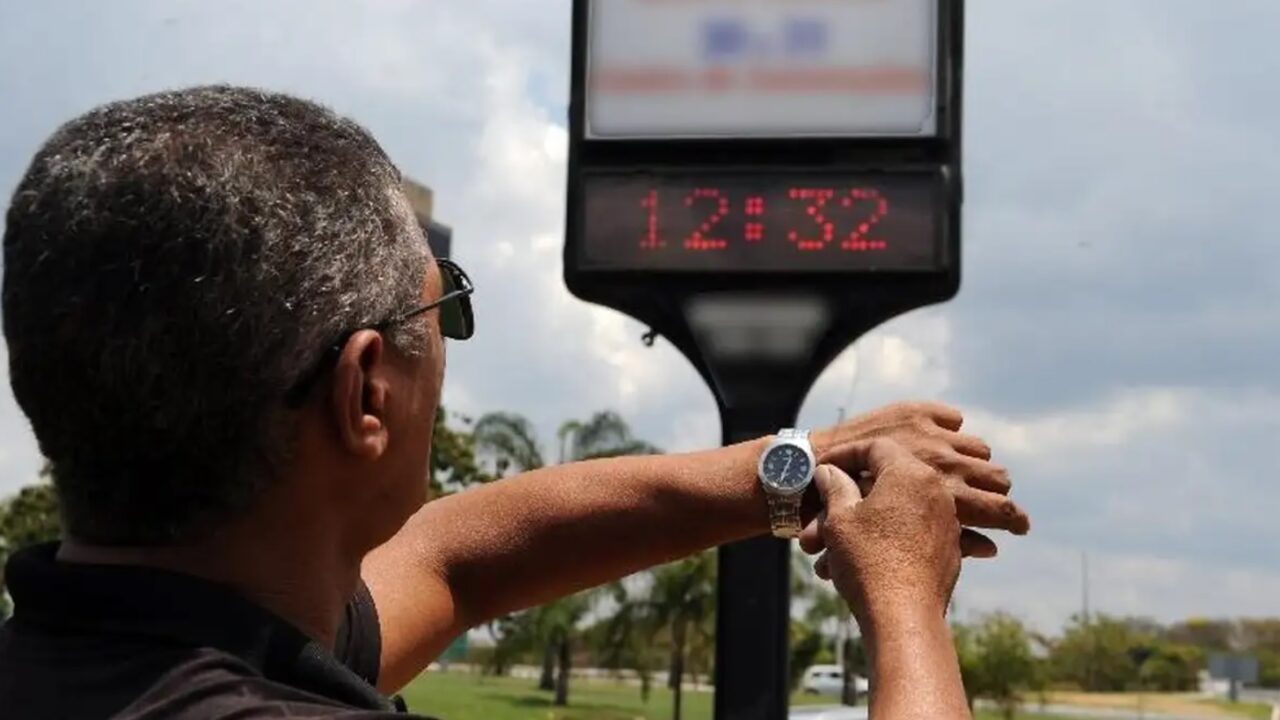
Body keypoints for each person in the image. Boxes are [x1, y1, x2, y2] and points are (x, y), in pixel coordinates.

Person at [0, 86, 1029, 719]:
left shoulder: (122, 651)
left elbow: (458, 558)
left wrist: (799, 462)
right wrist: (902, 601)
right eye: (444, 312)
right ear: (366, 389)